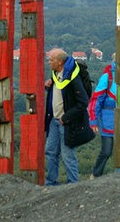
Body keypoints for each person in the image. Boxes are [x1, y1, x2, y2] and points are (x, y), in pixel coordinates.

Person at [44, 48, 89, 185]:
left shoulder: (72, 76)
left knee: (68, 155)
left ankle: (73, 185)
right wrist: (48, 86)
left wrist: (66, 117)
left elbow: (83, 102)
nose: (49, 62)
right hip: (54, 120)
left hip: (66, 122)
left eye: (51, 60)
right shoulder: (56, 73)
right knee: (51, 152)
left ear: (60, 62)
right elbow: (58, 93)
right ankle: (51, 182)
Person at [89, 54, 117, 179]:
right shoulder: (108, 77)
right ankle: (96, 174)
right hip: (108, 119)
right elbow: (96, 100)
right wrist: (93, 120)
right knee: (106, 151)